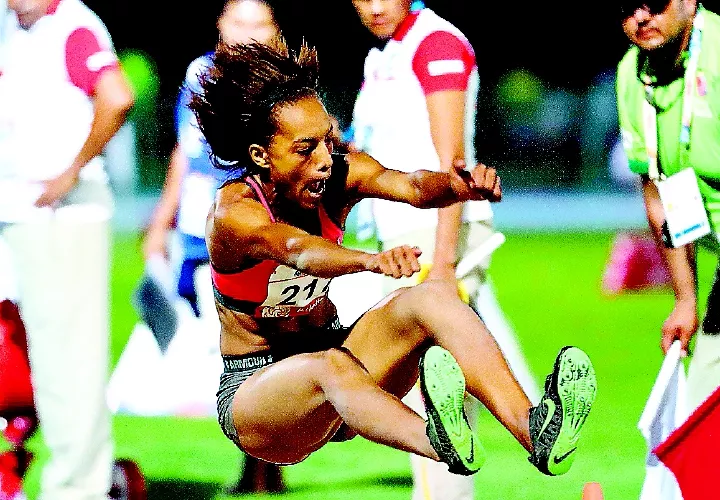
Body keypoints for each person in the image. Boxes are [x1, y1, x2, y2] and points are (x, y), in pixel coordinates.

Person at [188, 37, 597, 481]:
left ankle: (535, 431)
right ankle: (439, 442)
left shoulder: (337, 174)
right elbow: (296, 250)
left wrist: (459, 186)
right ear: (261, 156)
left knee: (431, 299)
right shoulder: (235, 213)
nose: (327, 159)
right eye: (307, 149)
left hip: (342, 376)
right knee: (330, 365)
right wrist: (369, 261)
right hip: (259, 399)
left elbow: (412, 186)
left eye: (327, 140)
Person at [347, 1, 540, 497]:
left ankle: (534, 427)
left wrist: (443, 265)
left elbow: (451, 163)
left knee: (435, 392)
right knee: (461, 372)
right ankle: (544, 420)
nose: (370, 7)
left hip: (437, 240)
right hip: (403, 244)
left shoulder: (436, 43)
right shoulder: (383, 55)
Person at [142, 0, 286, 494]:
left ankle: (263, 464)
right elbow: (186, 148)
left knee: (260, 348)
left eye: (258, 25)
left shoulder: (283, 84)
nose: (247, 34)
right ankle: (263, 458)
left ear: (274, 31)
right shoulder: (200, 72)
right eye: (238, 23)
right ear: (220, 26)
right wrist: (162, 219)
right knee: (232, 353)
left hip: (254, 228)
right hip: (199, 232)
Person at [0, 0, 135, 498]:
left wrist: (71, 170)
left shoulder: (70, 23)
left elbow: (117, 96)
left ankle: (77, 488)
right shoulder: (15, 27)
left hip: (62, 216)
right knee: (43, 364)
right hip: (21, 214)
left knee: (69, 365)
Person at [615, 0, 720, 411]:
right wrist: (685, 299)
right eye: (628, 8)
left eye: (654, 4)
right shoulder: (631, 76)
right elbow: (660, 194)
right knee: (700, 412)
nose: (642, 18)